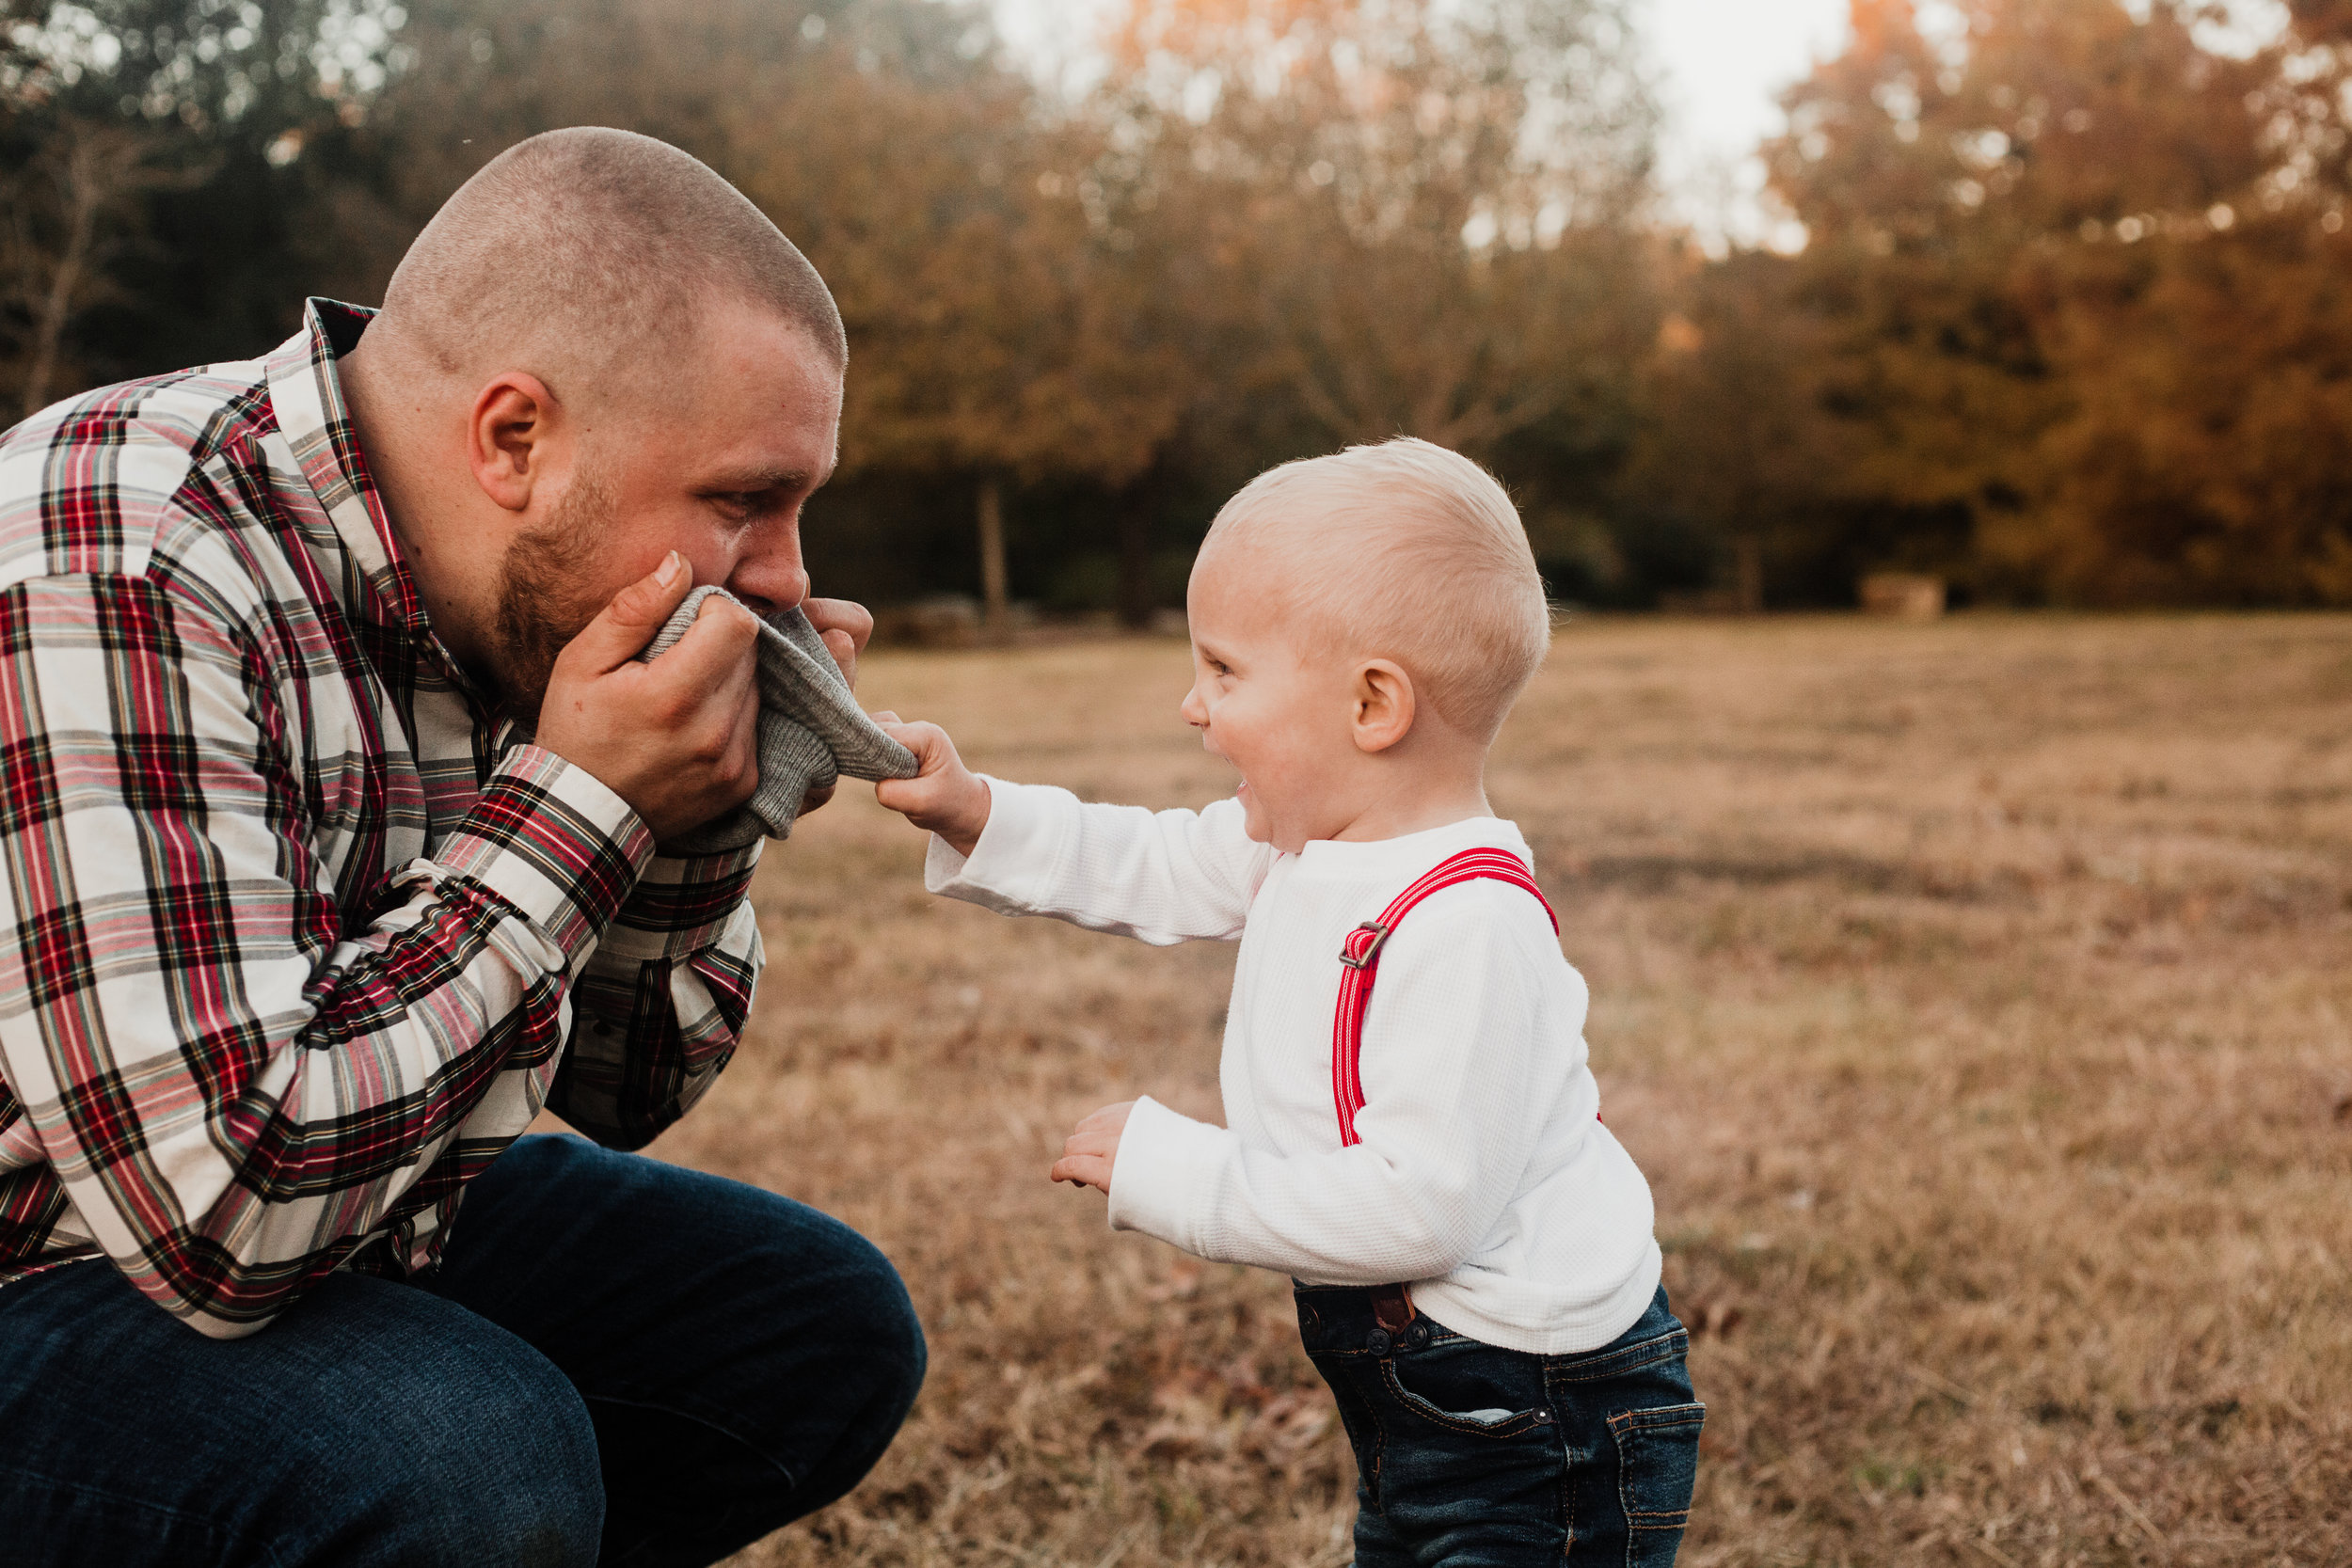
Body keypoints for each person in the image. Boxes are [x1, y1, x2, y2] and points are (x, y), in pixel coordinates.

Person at [0, 128, 923, 1567]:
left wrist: (690, 821)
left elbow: (629, 1088)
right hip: (60, 1247)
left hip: (330, 1207)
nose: (793, 575)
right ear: (513, 440)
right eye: (747, 500)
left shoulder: (511, 585)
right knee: (461, 1453)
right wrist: (574, 807)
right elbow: (222, 1211)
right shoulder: (116, 554)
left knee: (810, 1323)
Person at [872, 437, 1705, 1565]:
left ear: (1372, 704)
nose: (1191, 706)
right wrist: (979, 813)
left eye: (1224, 671)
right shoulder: (1304, 845)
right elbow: (1151, 862)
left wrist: (1182, 1172)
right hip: (1429, 1385)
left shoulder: (1467, 921)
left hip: (1538, 1408)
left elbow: (1423, 1209)